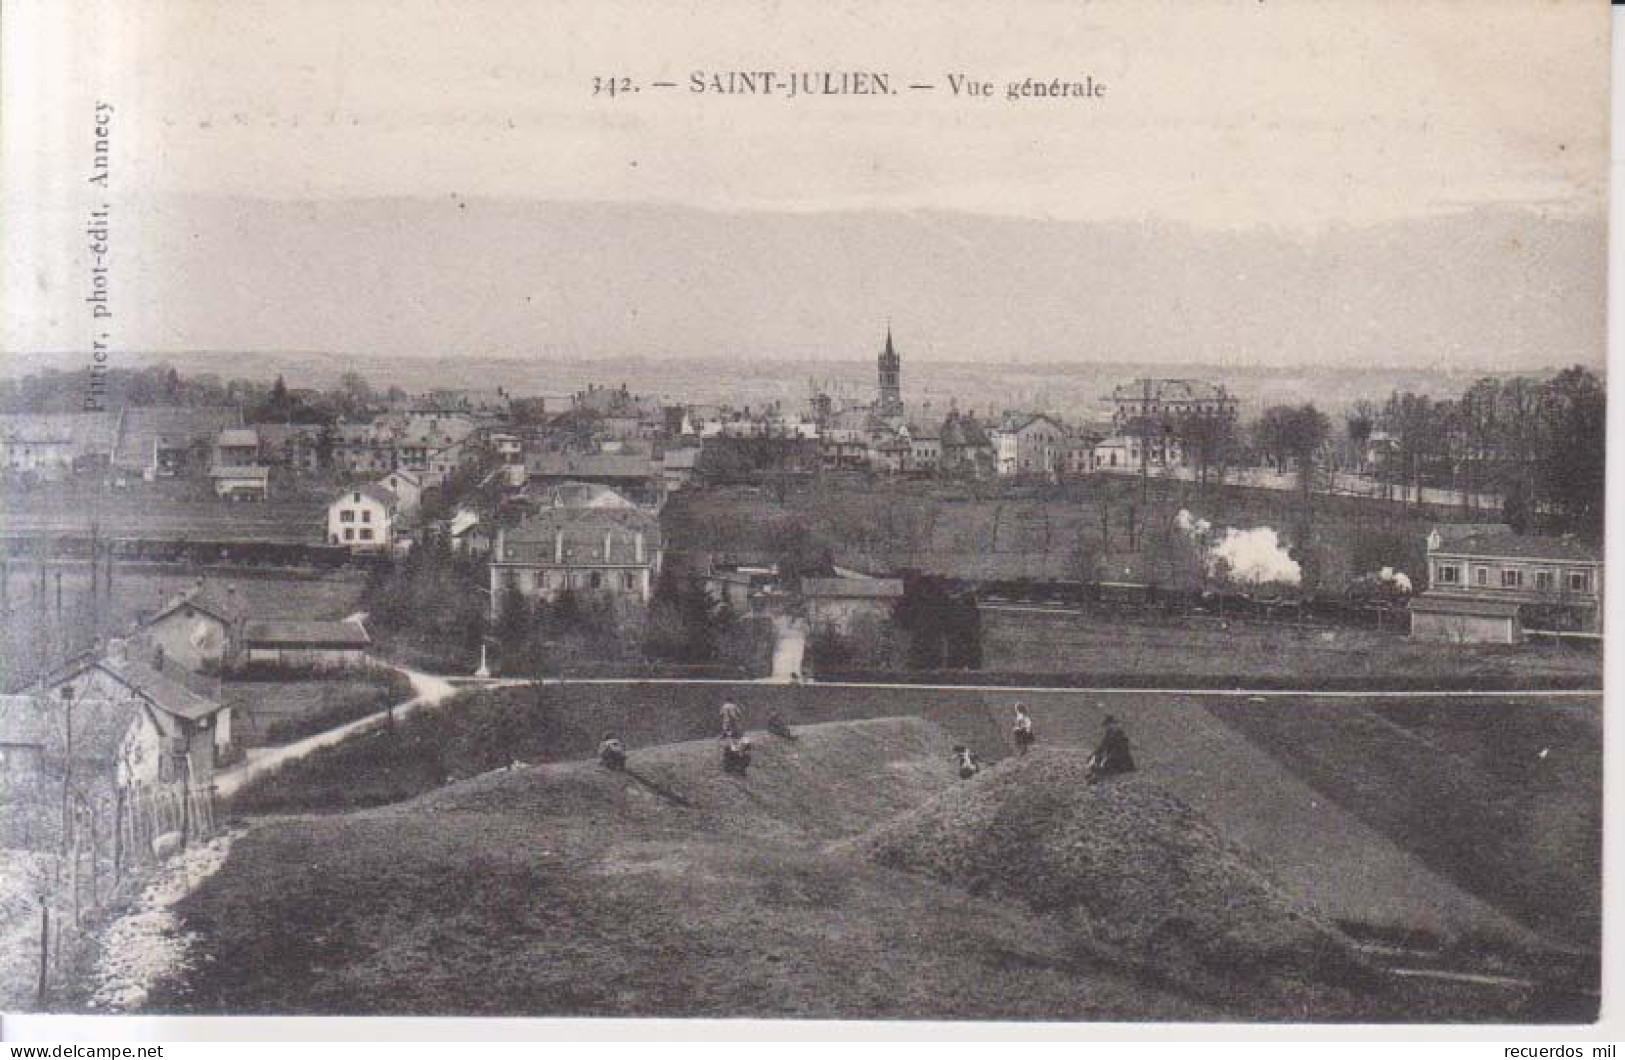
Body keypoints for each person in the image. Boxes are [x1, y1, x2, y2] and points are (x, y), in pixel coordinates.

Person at [1087, 714, 1136, 784]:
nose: (1108, 727)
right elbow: (1103, 745)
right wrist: (1095, 753)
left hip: (1120, 757)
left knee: (1106, 765)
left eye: (1109, 725)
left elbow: (1121, 749)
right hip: (1111, 754)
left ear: (1113, 724)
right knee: (1097, 760)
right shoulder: (1109, 733)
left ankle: (1098, 777)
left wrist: (1108, 755)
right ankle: (1095, 774)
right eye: (1107, 726)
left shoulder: (1119, 734)